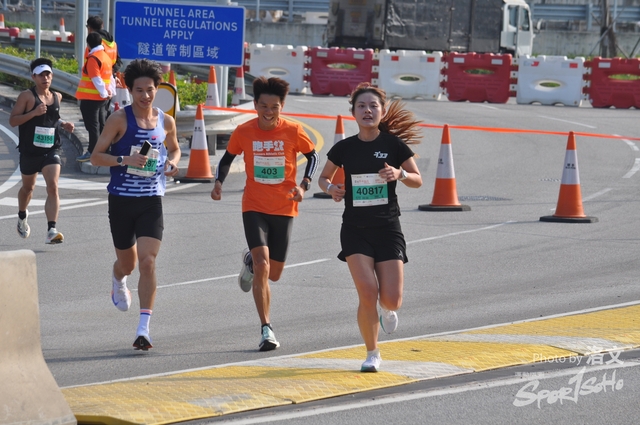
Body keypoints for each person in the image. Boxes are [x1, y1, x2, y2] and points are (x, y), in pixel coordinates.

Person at [317, 83, 423, 372]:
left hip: (387, 228)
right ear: (353, 112)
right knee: (367, 292)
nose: (367, 110)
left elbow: (417, 179)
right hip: (355, 229)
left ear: (382, 111)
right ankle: (372, 353)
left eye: (373, 106)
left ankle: (387, 309)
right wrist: (332, 189)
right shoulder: (344, 148)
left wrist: (400, 174)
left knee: (392, 299)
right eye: (361, 106)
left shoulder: (393, 145)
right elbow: (324, 178)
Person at [211, 76, 319, 352]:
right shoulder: (244, 131)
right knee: (263, 265)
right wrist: (219, 182)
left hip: (284, 206)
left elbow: (313, 156)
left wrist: (304, 185)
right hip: (254, 206)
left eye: (274, 107)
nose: (269, 112)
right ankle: (266, 328)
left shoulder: (293, 130)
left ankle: (248, 261)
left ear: (282, 106)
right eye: (263, 106)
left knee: (275, 274)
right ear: (255, 105)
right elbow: (227, 158)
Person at [90, 59, 180, 350]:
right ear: (130, 91)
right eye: (139, 90)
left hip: (151, 199)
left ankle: (144, 329)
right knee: (128, 264)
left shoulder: (165, 121)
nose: (145, 95)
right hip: (121, 200)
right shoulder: (119, 119)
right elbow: (96, 156)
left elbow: (175, 149)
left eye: (150, 90)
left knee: (148, 261)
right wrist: (124, 159)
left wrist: (172, 163)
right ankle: (118, 279)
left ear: (157, 89)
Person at [9, 58, 75, 244]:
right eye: (41, 75)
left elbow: (53, 118)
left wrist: (63, 124)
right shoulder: (27, 97)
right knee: (28, 188)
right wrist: (33, 113)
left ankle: (51, 230)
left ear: (52, 76)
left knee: (53, 186)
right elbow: (13, 121)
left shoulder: (57, 97)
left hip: (51, 149)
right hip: (30, 151)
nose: (45, 78)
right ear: (33, 77)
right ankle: (22, 215)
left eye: (48, 74)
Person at [76, 32, 113, 162]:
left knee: (92, 126)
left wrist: (103, 92)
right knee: (102, 125)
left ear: (88, 45)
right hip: (102, 99)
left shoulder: (93, 58)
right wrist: (109, 92)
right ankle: (105, 150)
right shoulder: (106, 57)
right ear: (101, 43)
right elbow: (110, 77)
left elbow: (96, 79)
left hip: (91, 98)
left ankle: (92, 151)